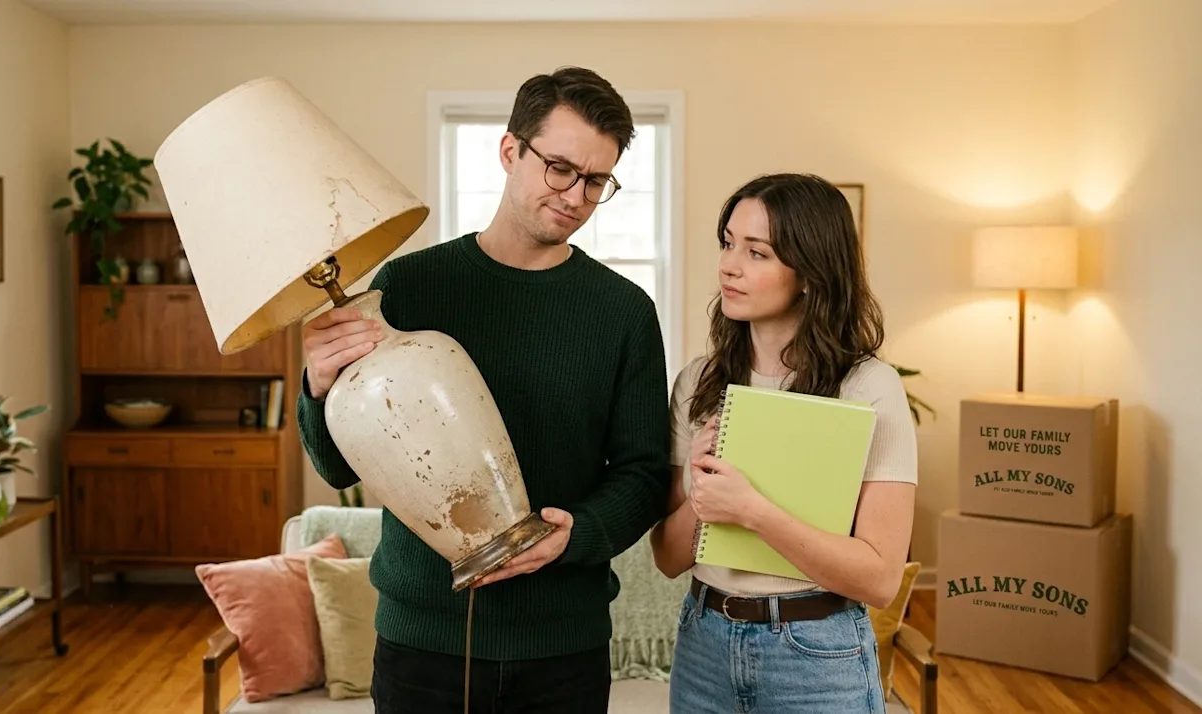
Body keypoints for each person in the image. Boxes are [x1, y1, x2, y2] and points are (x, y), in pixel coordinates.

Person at [297, 66, 670, 714]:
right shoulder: (410, 287)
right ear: (509, 151)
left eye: (597, 181)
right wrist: (318, 385)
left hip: (563, 650)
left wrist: (576, 534)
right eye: (560, 168)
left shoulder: (624, 312)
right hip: (421, 646)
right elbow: (337, 467)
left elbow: (643, 475)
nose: (576, 195)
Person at [649, 173, 917, 713]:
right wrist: (701, 493)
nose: (729, 265)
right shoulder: (698, 381)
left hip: (817, 655)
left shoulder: (867, 388)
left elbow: (881, 579)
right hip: (704, 644)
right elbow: (668, 558)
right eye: (728, 243)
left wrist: (752, 511)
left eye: (757, 252)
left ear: (810, 274)